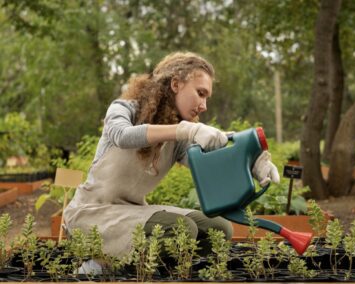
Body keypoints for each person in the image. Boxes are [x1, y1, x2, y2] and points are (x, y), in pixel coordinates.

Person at [63, 52, 279, 273]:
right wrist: (185, 130)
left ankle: (157, 271)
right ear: (176, 84)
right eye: (200, 93)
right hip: (91, 214)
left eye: (207, 98)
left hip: (132, 212)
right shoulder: (124, 109)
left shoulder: (177, 141)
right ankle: (103, 265)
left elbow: (212, 162)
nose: (204, 105)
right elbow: (122, 135)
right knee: (181, 229)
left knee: (219, 229)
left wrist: (252, 161)